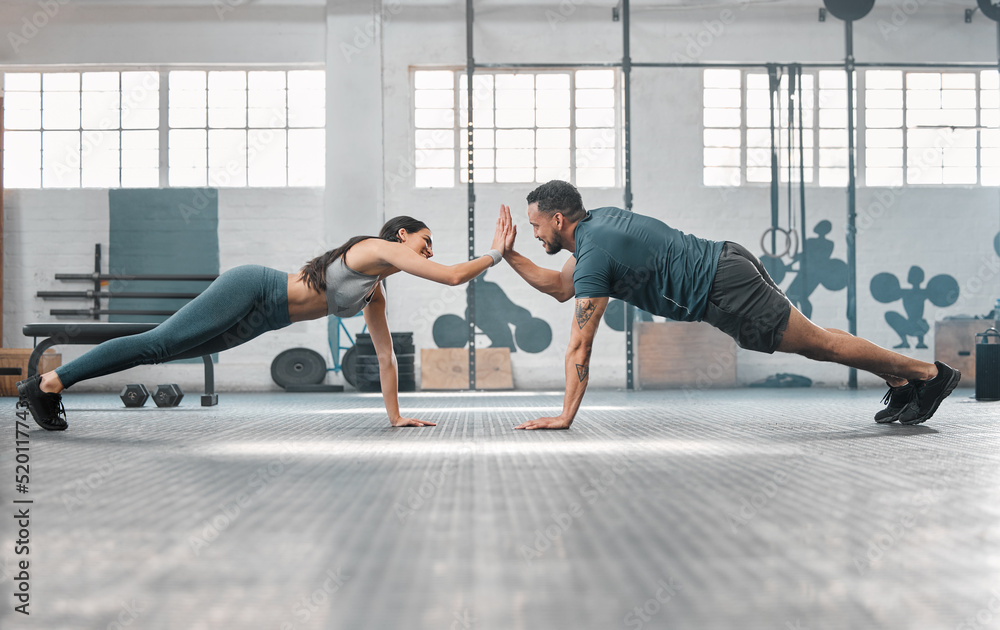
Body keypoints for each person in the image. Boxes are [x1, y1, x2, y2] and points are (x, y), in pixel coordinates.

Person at [499, 180, 961, 430]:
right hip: (725, 261)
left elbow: (579, 346)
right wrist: (509, 254)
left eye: (535, 226)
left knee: (819, 345)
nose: (535, 233)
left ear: (558, 220)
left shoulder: (594, 255)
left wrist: (565, 416)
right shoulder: (596, 227)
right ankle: (900, 380)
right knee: (817, 342)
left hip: (723, 287)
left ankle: (928, 376)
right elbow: (562, 288)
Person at [17, 214, 513, 431]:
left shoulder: (374, 291)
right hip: (254, 288)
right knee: (157, 343)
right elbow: (450, 277)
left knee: (165, 350)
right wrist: (497, 252)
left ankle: (50, 385)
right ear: (403, 235)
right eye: (425, 240)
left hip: (261, 321)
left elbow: (384, 357)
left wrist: (396, 416)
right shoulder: (375, 248)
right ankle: (48, 384)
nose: (429, 249)